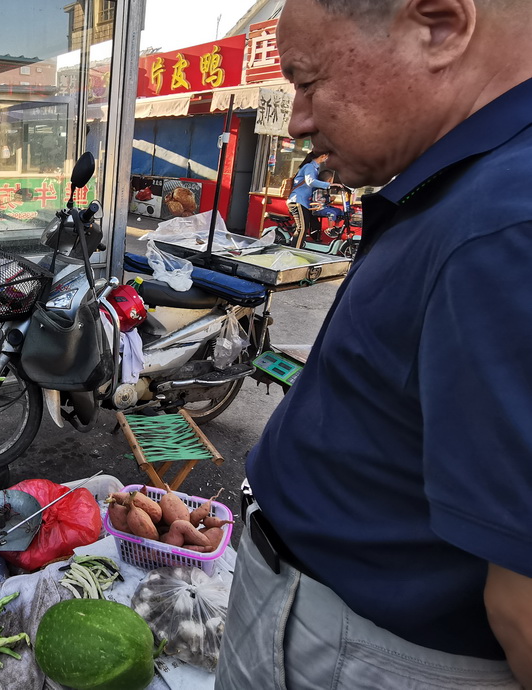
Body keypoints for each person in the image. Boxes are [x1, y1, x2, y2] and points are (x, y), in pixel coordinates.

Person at [216, 0, 532, 687]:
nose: (297, 119)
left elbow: (526, 609)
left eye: (307, 81)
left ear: (440, 28)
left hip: (364, 655)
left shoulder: (509, 222)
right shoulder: (467, 182)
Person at [286, 150, 331, 240]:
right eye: (326, 156)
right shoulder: (309, 166)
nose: (327, 159)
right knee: (302, 228)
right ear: (323, 155)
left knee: (307, 227)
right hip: (298, 200)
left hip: (304, 202)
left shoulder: (315, 168)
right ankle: (295, 250)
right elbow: (310, 181)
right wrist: (328, 185)